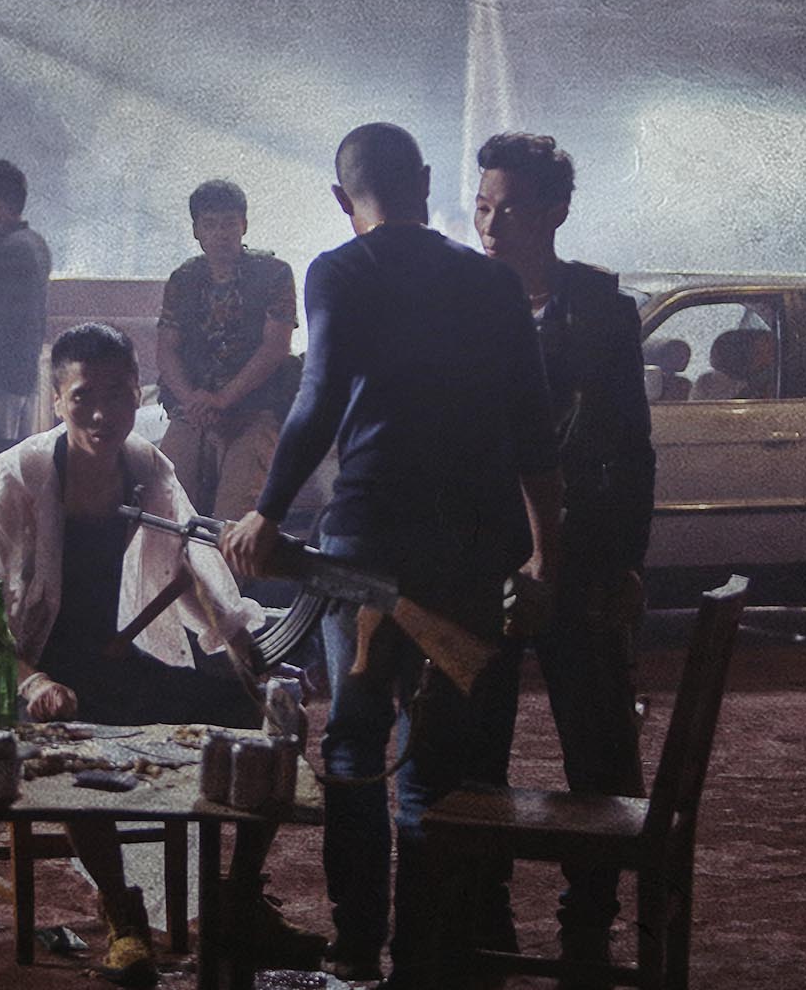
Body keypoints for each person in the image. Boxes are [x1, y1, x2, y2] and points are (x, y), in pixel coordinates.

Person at [221, 123, 564, 988]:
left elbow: (319, 397)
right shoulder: (494, 283)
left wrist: (266, 513)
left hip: (363, 554)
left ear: (343, 199)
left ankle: (354, 945)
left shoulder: (339, 271)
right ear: (426, 180)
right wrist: (544, 559)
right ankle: (420, 958)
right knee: (433, 771)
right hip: (468, 559)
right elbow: (535, 433)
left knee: (353, 752)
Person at [0, 322, 325, 985]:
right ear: (57, 399)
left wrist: (253, 662)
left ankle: (238, 897)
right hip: (36, 672)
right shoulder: (16, 477)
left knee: (266, 718)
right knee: (73, 741)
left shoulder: (147, 467)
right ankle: (122, 915)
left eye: (119, 395)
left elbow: (199, 572)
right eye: (83, 397)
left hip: (121, 661)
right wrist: (34, 684)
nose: (103, 414)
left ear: (138, 392)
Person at [474, 132, 657, 981]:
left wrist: (626, 564)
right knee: (474, 745)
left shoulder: (602, 308)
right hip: (486, 558)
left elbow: (633, 447)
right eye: (483, 205)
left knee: (599, 746)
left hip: (580, 557)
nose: (490, 224)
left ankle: (590, 921)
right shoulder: (465, 301)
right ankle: (486, 918)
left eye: (509, 208)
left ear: (555, 212)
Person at [157, 179, 298, 518]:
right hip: (193, 410)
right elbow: (166, 350)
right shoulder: (183, 280)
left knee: (232, 517)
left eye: (229, 224)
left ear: (243, 225)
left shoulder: (274, 275)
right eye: (210, 225)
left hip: (254, 408)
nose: (221, 234)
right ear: (196, 230)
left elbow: (275, 347)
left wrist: (223, 398)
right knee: (166, 508)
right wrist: (192, 401)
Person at [0, 158, 53, 470]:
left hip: (1, 386)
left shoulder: (4, 253)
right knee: (19, 468)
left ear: (3, 204)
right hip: (25, 379)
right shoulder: (36, 245)